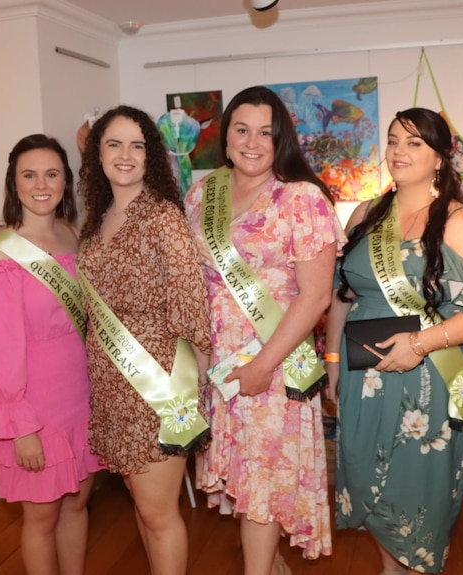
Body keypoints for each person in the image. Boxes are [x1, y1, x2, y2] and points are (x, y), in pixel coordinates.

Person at [324, 108, 463, 575]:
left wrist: (420, 344)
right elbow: (342, 293)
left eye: (414, 143)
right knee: (370, 486)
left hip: (427, 382)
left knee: (416, 498)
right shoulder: (367, 214)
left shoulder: (456, 221)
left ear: (440, 158)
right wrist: (329, 357)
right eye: (393, 141)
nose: (399, 152)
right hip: (360, 376)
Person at [184, 85, 345, 574]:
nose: (252, 142)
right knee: (248, 481)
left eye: (265, 133)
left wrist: (261, 365)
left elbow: (315, 296)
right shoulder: (202, 193)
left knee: (263, 487)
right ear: (226, 136)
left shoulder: (301, 199)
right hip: (219, 365)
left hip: (272, 365)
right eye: (241, 130)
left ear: (281, 140)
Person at [76, 105, 211, 575]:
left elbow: (191, 304)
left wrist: (195, 391)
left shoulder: (162, 216)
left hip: (156, 386)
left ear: (151, 155)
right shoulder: (97, 219)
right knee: (141, 506)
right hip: (110, 386)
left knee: (158, 514)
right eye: (114, 143)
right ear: (97, 153)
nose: (126, 155)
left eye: (138, 145)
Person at [0, 134, 104, 575]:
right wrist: (19, 422)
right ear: (14, 183)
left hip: (80, 395)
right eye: (29, 175)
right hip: (34, 404)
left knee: (79, 502)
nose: (41, 185)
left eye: (51, 174)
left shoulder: (72, 235)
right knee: (41, 515)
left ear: (66, 181)